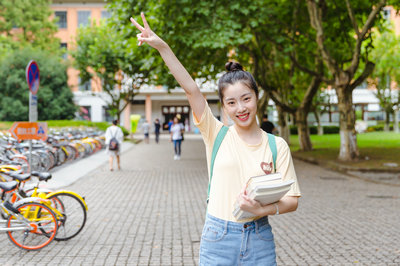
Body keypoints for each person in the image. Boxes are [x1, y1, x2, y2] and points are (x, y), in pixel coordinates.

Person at [131, 13, 301, 265]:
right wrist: (162, 47)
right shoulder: (216, 133)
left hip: (259, 238)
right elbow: (191, 89)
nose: (240, 108)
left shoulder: (277, 146)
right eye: (231, 102)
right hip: (218, 238)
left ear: (257, 98)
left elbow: (292, 200)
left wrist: (262, 210)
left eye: (246, 98)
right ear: (223, 107)